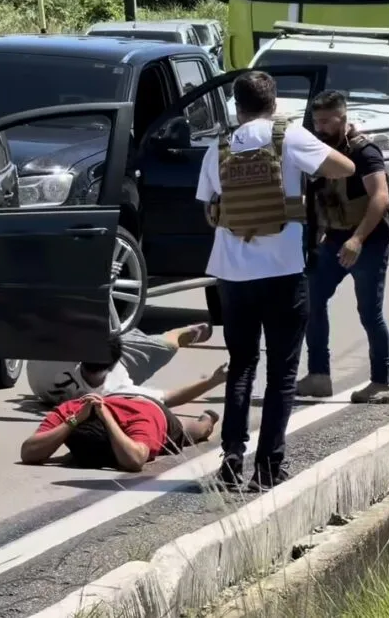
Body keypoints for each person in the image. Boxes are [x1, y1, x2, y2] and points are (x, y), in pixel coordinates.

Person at [196, 71, 356, 491]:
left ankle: (231, 459)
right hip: (283, 271)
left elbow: (207, 206)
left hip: (232, 273)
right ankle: (269, 467)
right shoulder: (290, 137)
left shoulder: (221, 145)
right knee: (282, 373)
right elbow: (345, 167)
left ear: (237, 105)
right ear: (275, 103)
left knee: (241, 367)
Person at [297, 90, 389, 404]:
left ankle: (381, 383)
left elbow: (381, 197)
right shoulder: (321, 152)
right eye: (317, 121)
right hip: (336, 239)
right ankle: (319, 376)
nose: (321, 127)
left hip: (369, 240)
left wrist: (357, 239)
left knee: (369, 313)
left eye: (327, 121)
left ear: (343, 117)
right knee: (312, 298)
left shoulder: (365, 152)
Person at [26, 323, 218, 406]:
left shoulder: (57, 351)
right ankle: (178, 334)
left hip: (37, 381)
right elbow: (169, 398)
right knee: (163, 347)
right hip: (38, 384)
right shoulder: (114, 389)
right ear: (113, 365)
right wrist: (215, 380)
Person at [20, 392, 220, 471]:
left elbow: (134, 460)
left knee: (192, 431)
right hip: (114, 397)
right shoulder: (73, 410)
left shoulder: (139, 420)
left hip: (151, 409)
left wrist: (105, 416)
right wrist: (72, 422)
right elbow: (28, 452)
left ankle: (207, 420)